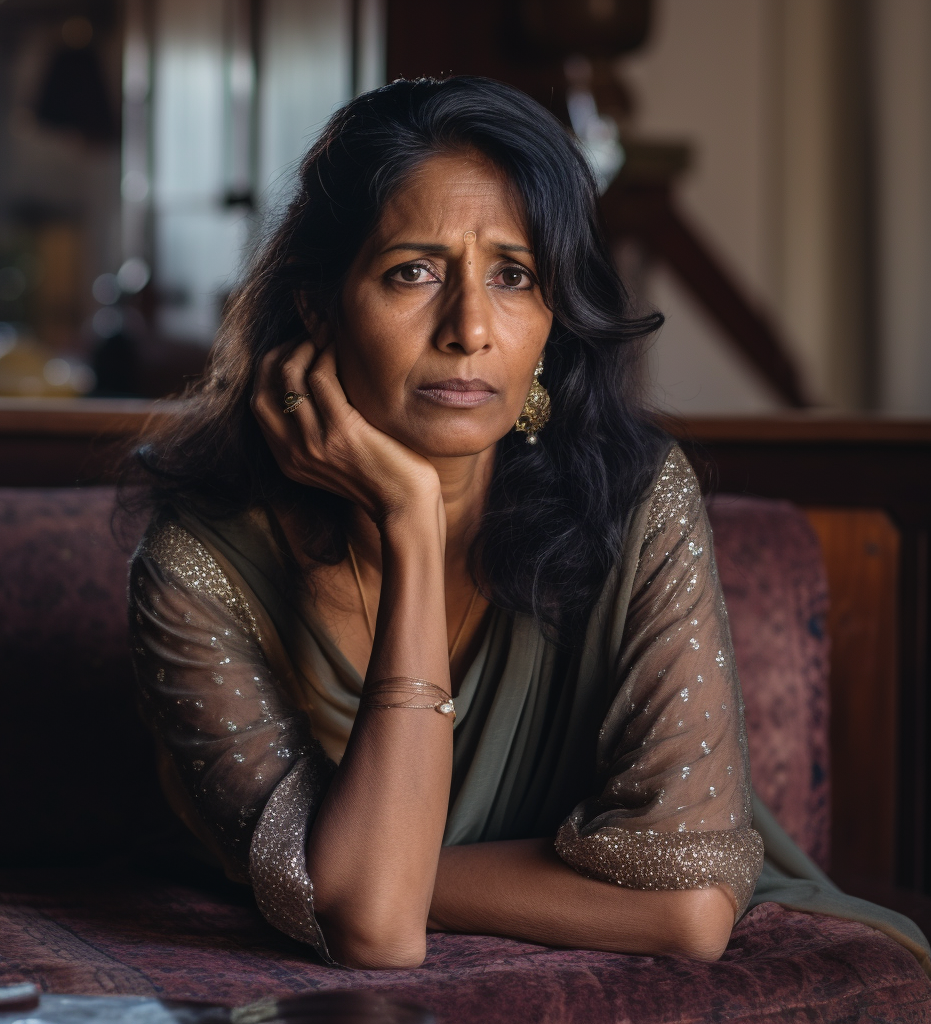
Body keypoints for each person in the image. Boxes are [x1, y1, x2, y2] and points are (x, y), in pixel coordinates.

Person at [127, 76, 929, 974]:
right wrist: (411, 522)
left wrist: (366, 872)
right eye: (414, 272)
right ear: (318, 304)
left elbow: (691, 912)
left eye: (513, 276)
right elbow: (377, 935)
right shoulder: (200, 568)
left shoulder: (633, 497)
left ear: (552, 317)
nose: (470, 328)